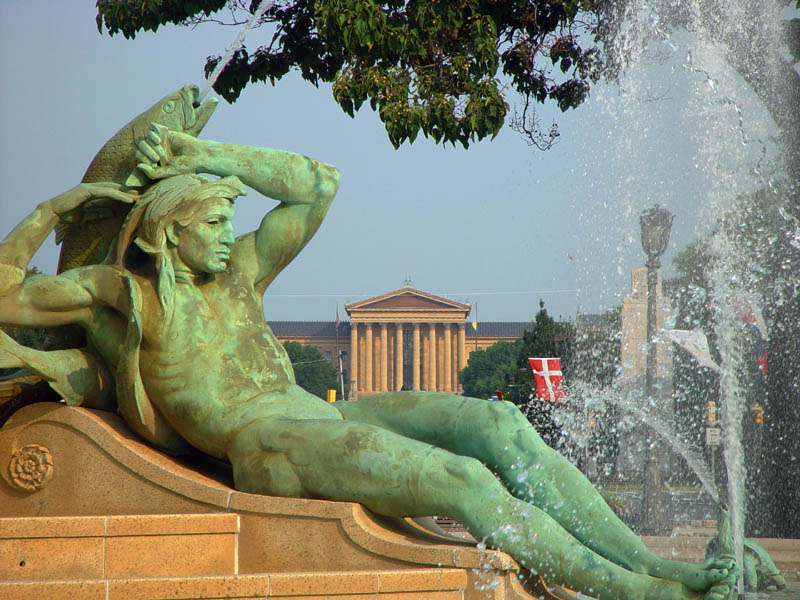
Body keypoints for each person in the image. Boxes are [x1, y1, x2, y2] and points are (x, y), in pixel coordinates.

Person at [0, 126, 735, 600]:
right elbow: (6, 299)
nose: (231, 235)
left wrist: (212, 157)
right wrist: (57, 209)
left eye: (232, 221)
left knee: (500, 427)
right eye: (215, 223)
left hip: (320, 413)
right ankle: (641, 595)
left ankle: (652, 562)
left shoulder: (240, 274)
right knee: (463, 480)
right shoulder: (123, 297)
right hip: (264, 445)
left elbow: (318, 183)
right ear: (170, 232)